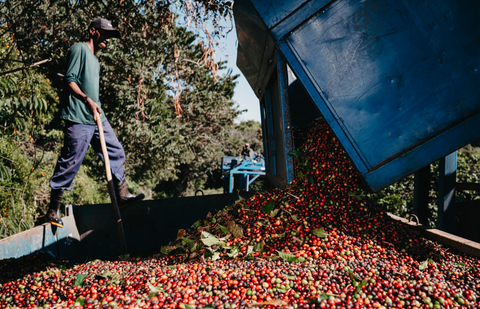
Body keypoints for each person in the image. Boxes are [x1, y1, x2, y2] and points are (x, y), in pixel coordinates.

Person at [46, 18, 144, 228]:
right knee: (71, 160)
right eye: (105, 34)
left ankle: (123, 195)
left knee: (116, 151)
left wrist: (94, 104)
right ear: (93, 31)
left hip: (96, 115)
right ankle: (53, 209)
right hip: (78, 116)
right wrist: (87, 100)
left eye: (110, 36)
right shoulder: (79, 49)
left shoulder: (96, 60)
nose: (108, 39)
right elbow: (70, 80)